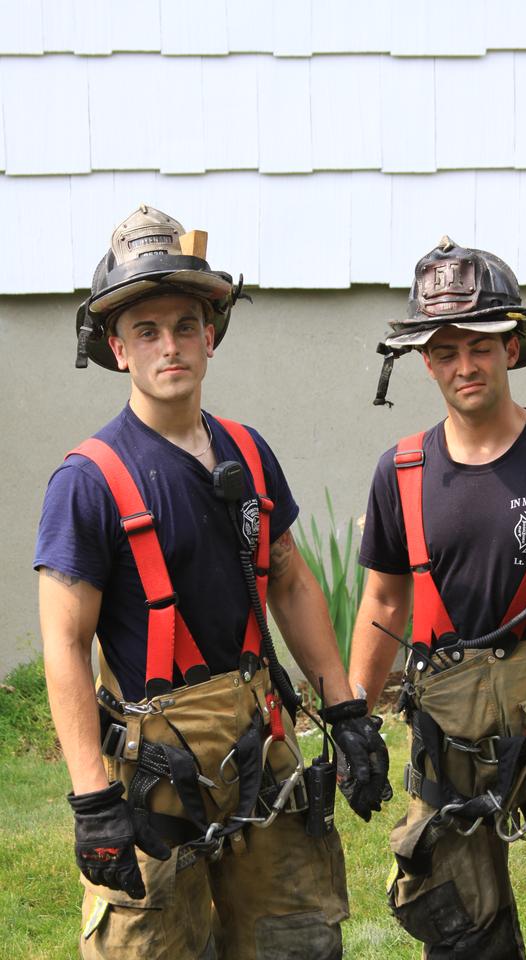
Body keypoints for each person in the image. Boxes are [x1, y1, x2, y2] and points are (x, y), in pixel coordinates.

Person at [34, 204, 390, 960]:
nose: (171, 346)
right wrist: (92, 799)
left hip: (262, 736)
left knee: (297, 939)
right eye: (147, 332)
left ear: (211, 335)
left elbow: (289, 581)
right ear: (119, 350)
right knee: (153, 947)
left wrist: (346, 707)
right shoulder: (88, 482)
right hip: (153, 766)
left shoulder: (249, 453)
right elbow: (63, 643)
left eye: (186, 326)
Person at [349, 235, 526, 959]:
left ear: (511, 346)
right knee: (460, 933)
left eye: (479, 344)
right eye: (445, 350)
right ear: (425, 362)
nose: (464, 365)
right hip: (446, 729)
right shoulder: (401, 473)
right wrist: (352, 717)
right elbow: (384, 602)